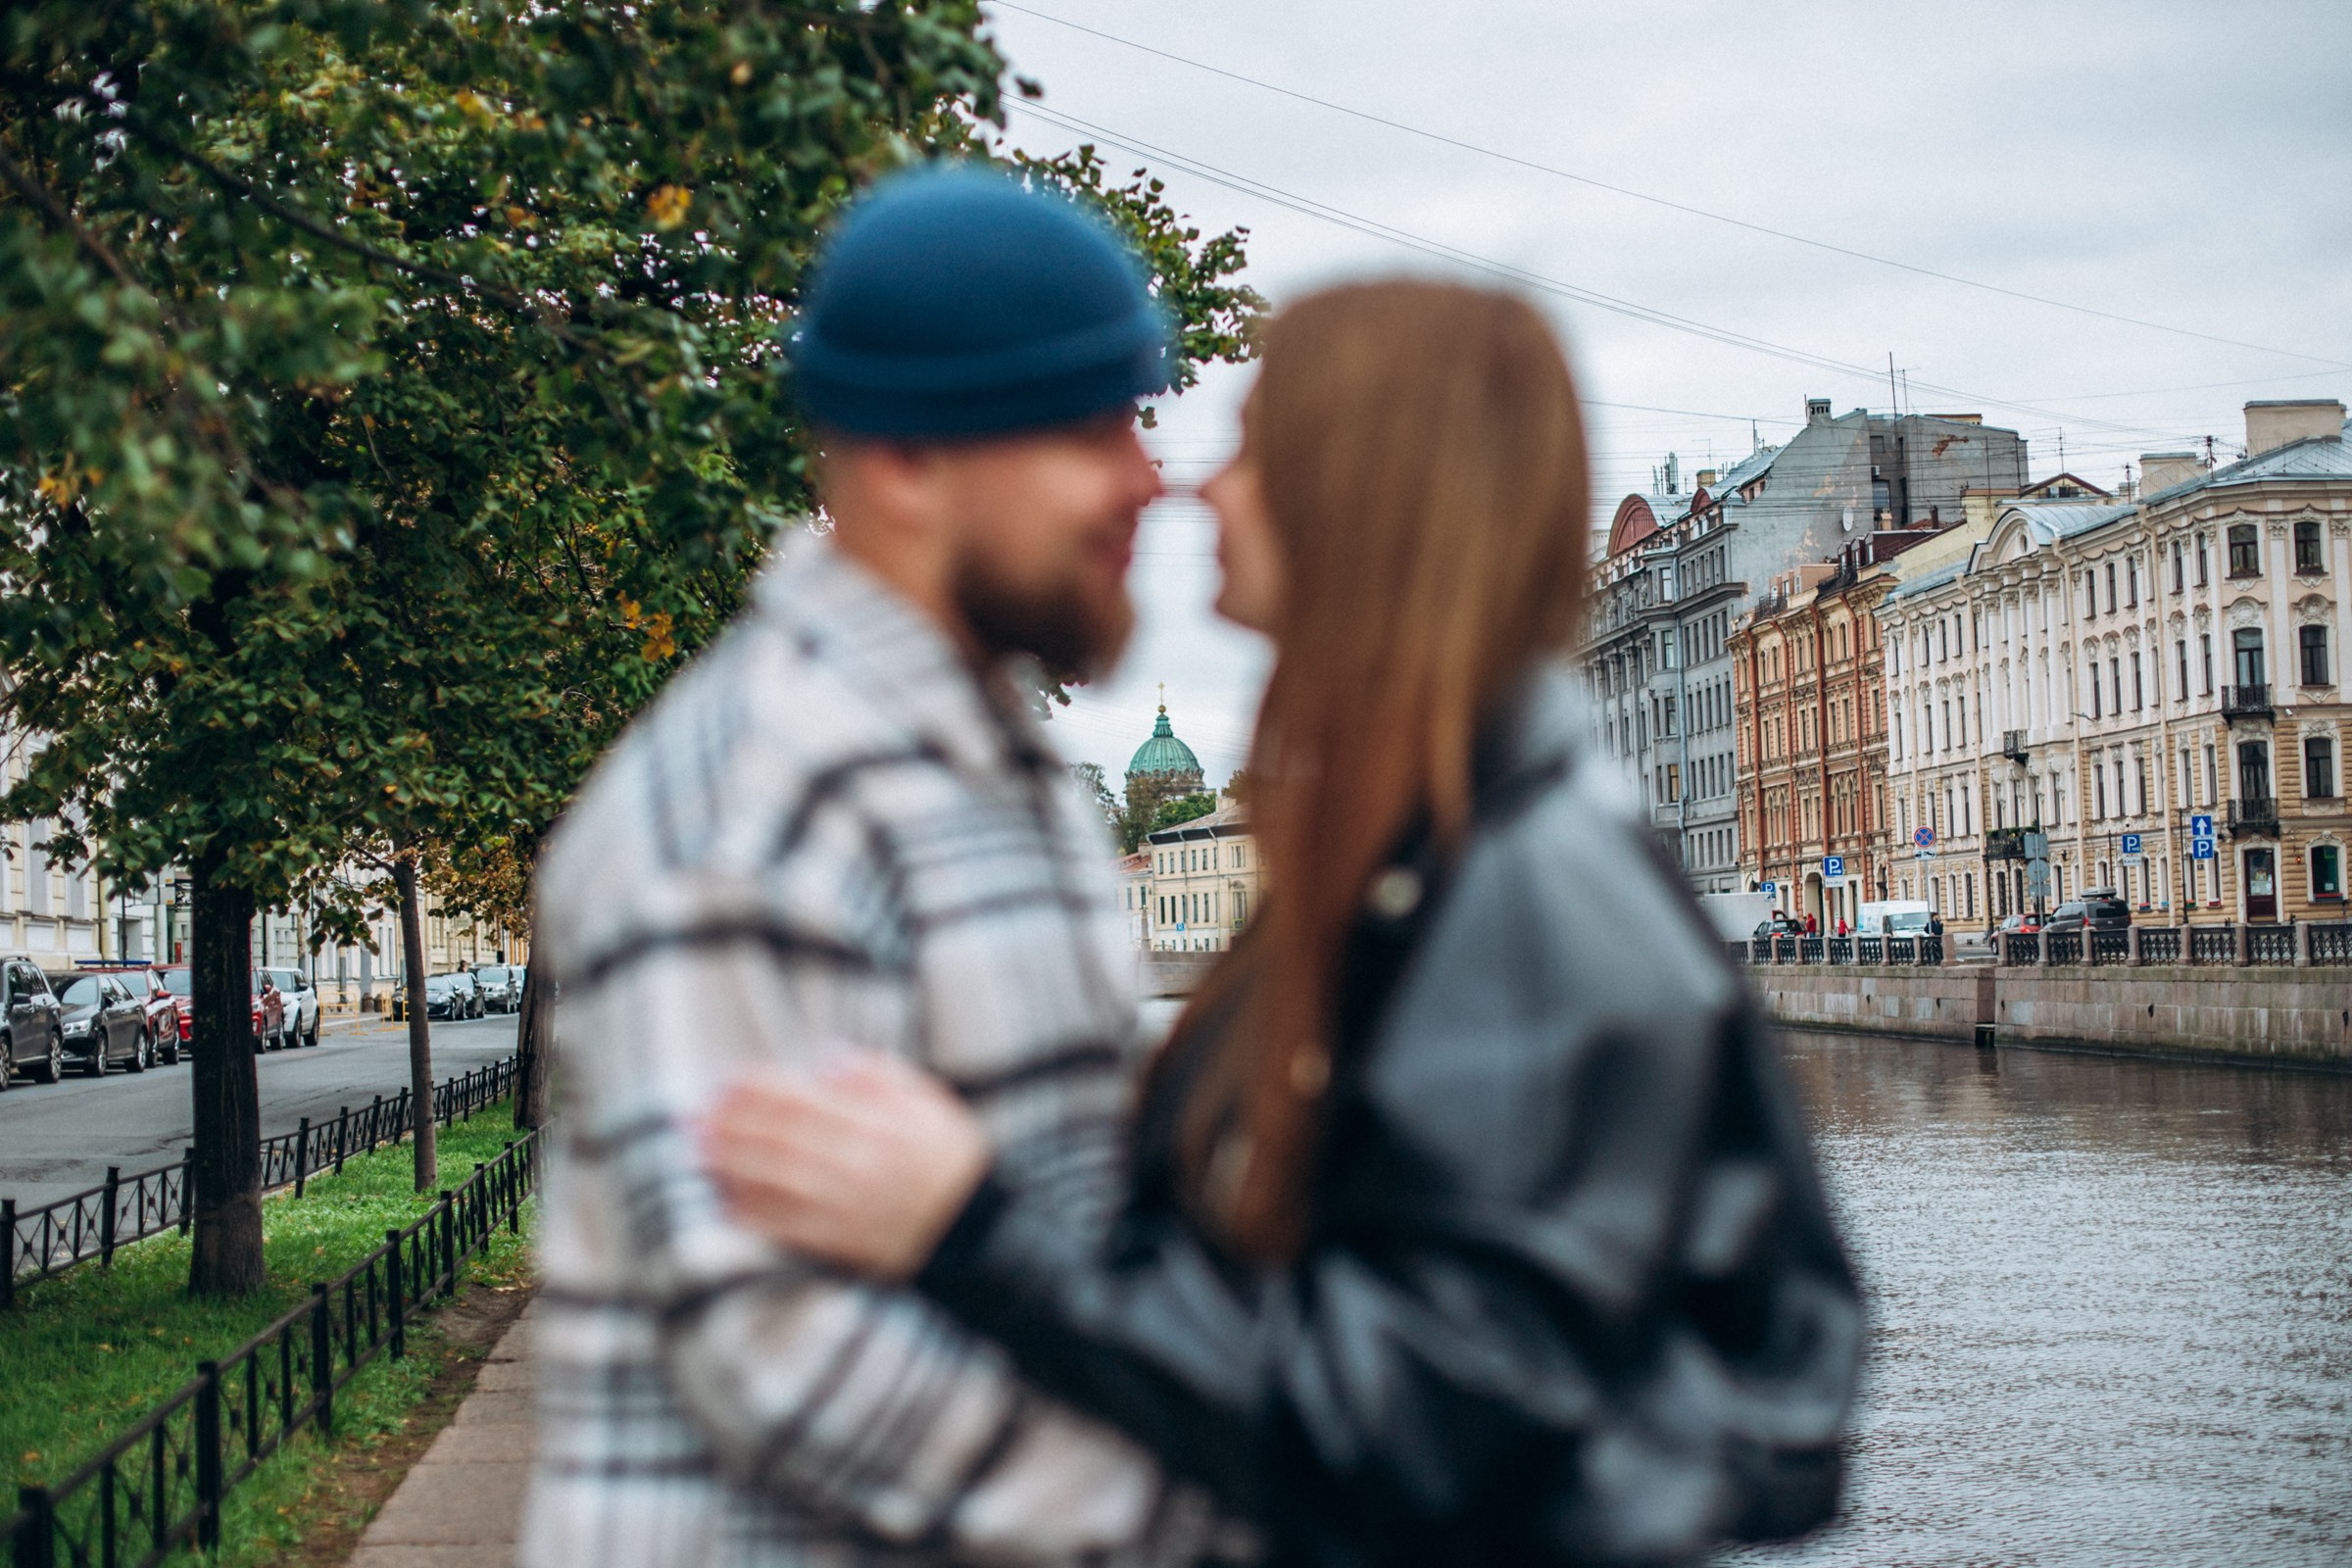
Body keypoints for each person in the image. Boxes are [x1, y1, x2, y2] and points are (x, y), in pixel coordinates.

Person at [707, 282, 1863, 1568]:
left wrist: (973, 1233)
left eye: (1253, 447)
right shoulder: (1428, 846)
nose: (1200, 491)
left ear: (1356, 490)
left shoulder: (1521, 892)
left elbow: (1416, 1429)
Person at [517, 167, 1241, 1568]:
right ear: (907, 460)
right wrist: (1222, 1512)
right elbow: (788, 1357)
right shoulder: (751, 806)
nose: (1149, 483)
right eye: (1088, 427)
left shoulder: (972, 753)